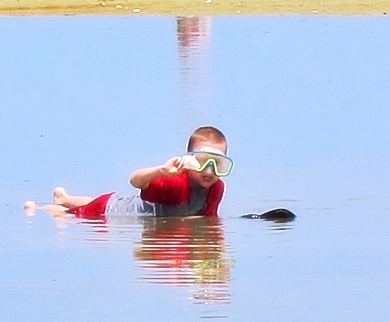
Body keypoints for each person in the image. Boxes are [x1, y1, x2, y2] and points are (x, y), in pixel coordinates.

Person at [25, 126, 233, 217]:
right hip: (110, 211)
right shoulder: (175, 182)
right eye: (203, 162)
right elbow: (135, 180)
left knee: (95, 200)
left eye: (218, 164)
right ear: (189, 161)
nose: (210, 170)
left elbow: (206, 219)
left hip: (116, 200)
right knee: (70, 216)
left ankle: (63, 197)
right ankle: (40, 209)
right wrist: (160, 171)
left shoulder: (216, 187)